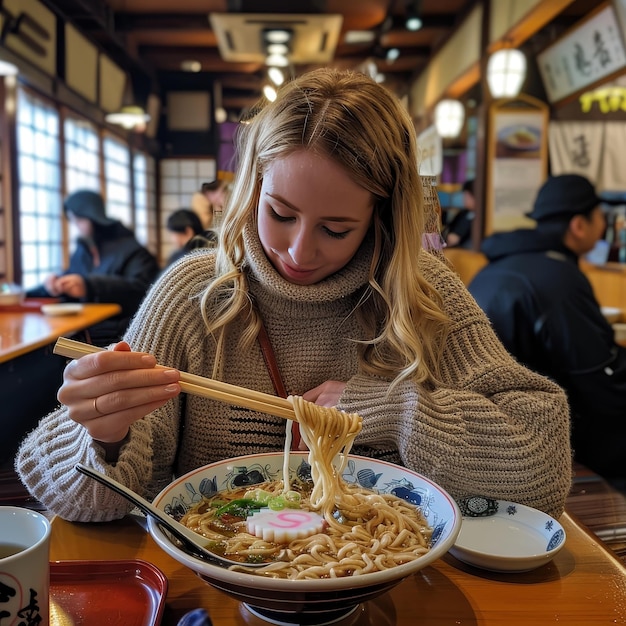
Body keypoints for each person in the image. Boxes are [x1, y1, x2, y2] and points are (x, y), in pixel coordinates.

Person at [16, 69, 572, 523]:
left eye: (336, 228)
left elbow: (543, 466)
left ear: (382, 215)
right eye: (280, 214)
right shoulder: (194, 295)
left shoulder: (419, 293)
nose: (300, 252)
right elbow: (83, 500)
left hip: (387, 581)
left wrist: (393, 411)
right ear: (253, 186)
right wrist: (106, 434)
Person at [468, 174, 625, 484]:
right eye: (599, 218)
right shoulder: (558, 277)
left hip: (489, 425)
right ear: (579, 225)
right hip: (536, 436)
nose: (602, 227)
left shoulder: (497, 266)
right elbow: (594, 374)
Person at [26, 190, 159, 346]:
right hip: (81, 334)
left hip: (122, 339)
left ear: (92, 216)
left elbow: (143, 291)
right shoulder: (84, 250)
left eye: (78, 219)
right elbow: (73, 278)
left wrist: (89, 286)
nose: (76, 225)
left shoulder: (133, 250)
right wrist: (52, 286)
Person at [443, 179, 475, 248]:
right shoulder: (465, 213)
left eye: (466, 195)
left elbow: (452, 239)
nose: (464, 198)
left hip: (455, 253)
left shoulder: (469, 216)